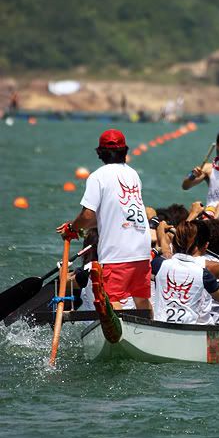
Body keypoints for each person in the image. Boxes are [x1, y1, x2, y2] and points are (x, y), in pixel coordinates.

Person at [56, 128, 152, 313]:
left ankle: (121, 332)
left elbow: (88, 215)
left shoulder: (98, 177)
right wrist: (78, 228)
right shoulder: (133, 174)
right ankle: (150, 327)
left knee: (111, 299)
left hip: (117, 251)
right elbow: (108, 217)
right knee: (141, 299)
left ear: (100, 152)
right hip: (142, 248)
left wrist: (72, 228)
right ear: (125, 151)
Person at [151, 220, 219, 324]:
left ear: (174, 244)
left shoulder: (158, 264)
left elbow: (164, 252)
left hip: (159, 324)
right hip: (188, 328)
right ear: (204, 246)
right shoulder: (204, 274)